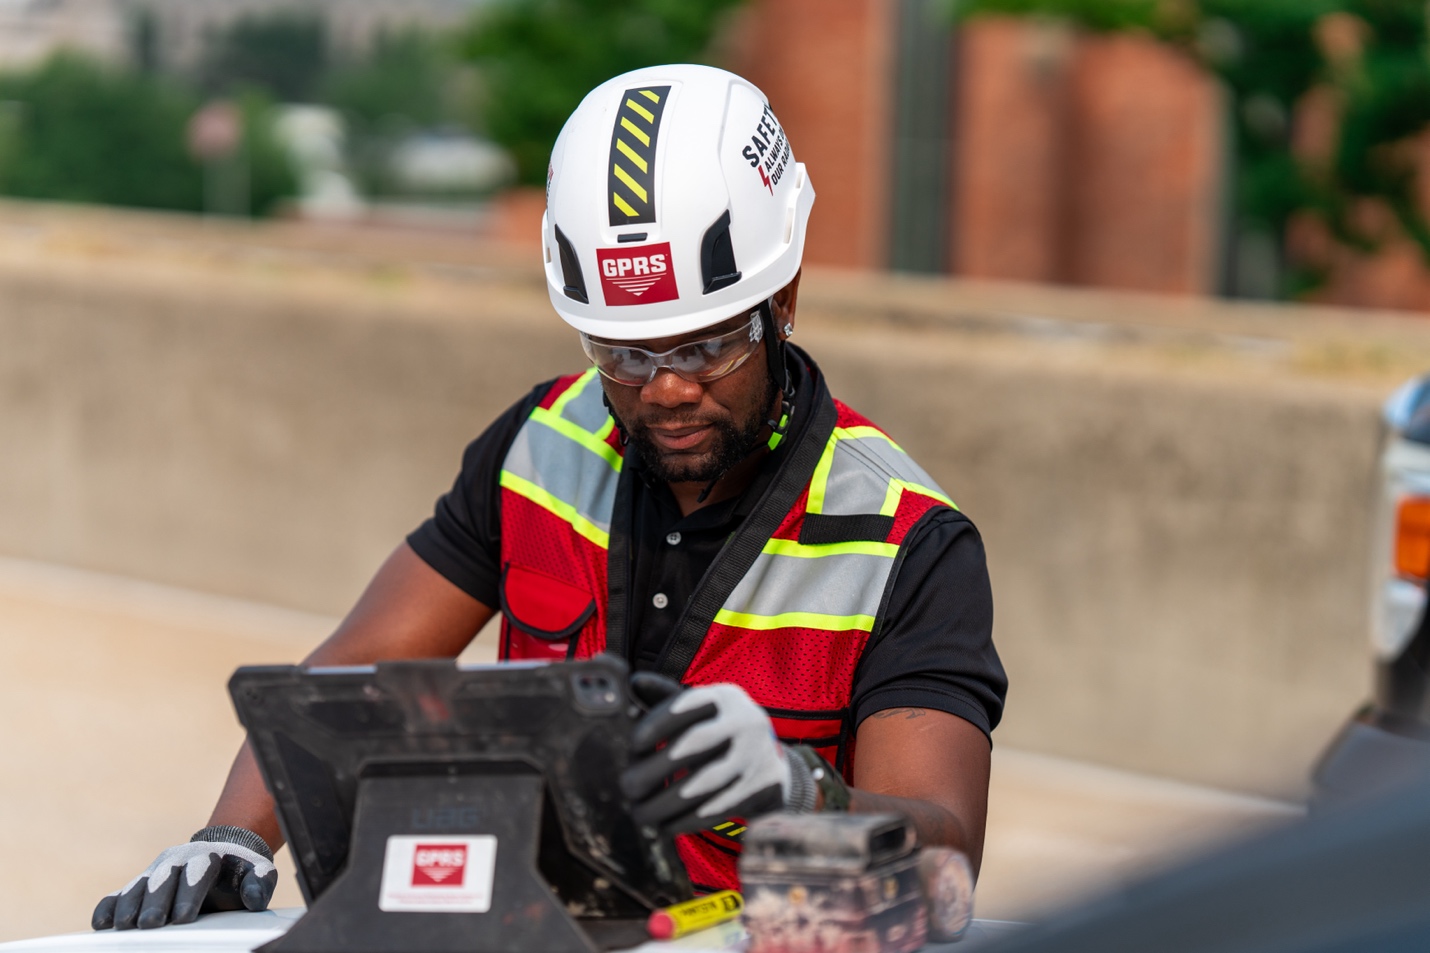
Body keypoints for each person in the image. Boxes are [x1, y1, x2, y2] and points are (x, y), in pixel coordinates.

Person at [92, 64, 1007, 931]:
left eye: (705, 347)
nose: (667, 391)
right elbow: (355, 667)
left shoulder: (905, 542)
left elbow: (946, 866)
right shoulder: (542, 446)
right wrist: (233, 833)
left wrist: (795, 789)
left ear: (785, 293)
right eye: (624, 355)